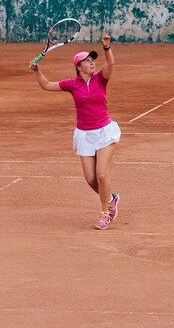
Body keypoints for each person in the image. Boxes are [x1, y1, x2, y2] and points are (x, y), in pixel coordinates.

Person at [29, 31, 121, 230]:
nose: (92, 63)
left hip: (105, 132)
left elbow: (111, 65)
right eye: (87, 61)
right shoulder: (72, 85)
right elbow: (46, 85)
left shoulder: (100, 80)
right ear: (79, 67)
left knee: (102, 175)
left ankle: (105, 213)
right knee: (90, 179)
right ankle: (112, 197)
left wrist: (106, 46)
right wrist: (37, 70)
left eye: (92, 60)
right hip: (85, 134)